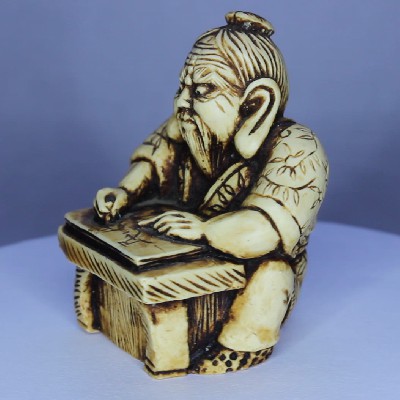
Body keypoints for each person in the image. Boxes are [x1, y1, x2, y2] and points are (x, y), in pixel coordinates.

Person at [94, 11, 328, 373]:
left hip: (246, 269)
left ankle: (238, 348)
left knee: (272, 274)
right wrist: (125, 191)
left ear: (256, 104)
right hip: (186, 242)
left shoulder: (298, 148)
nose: (181, 102)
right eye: (181, 88)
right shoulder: (190, 122)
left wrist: (205, 230)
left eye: (202, 90)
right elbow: (157, 158)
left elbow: (264, 229)